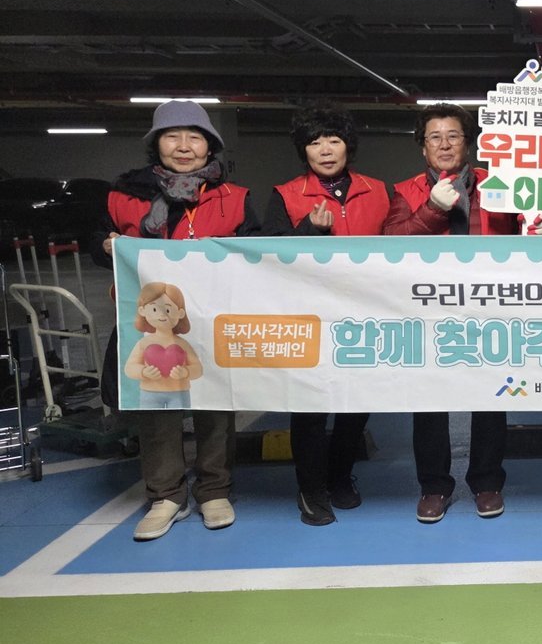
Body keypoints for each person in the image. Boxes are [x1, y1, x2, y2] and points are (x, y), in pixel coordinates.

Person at [94, 99, 259, 541]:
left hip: (214, 321)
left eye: (195, 137)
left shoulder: (235, 198)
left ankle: (214, 490)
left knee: (215, 407)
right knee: (157, 409)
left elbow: (254, 256)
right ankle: (165, 495)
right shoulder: (124, 195)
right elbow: (95, 243)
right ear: (157, 144)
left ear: (210, 146)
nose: (184, 146)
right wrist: (107, 246)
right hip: (152, 327)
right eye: (173, 136)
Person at [382, 104, 521, 523]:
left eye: (453, 136)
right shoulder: (405, 191)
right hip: (429, 310)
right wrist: (431, 209)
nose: (444, 145)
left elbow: (517, 231)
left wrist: (534, 227)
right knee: (429, 400)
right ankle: (434, 486)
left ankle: (487, 481)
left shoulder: (498, 184)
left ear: (468, 143)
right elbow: (391, 241)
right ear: (423, 148)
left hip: (489, 305)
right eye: (435, 137)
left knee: (492, 395)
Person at [263, 106, 392, 526]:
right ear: (303, 150)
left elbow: (400, 248)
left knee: (357, 403)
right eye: (314, 142)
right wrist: (309, 231)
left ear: (347, 146)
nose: (325, 149)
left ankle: (339, 476)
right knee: (310, 408)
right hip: (310, 319)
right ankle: (311, 489)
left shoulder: (378, 190)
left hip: (364, 316)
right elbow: (270, 256)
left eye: (333, 140)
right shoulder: (285, 194)